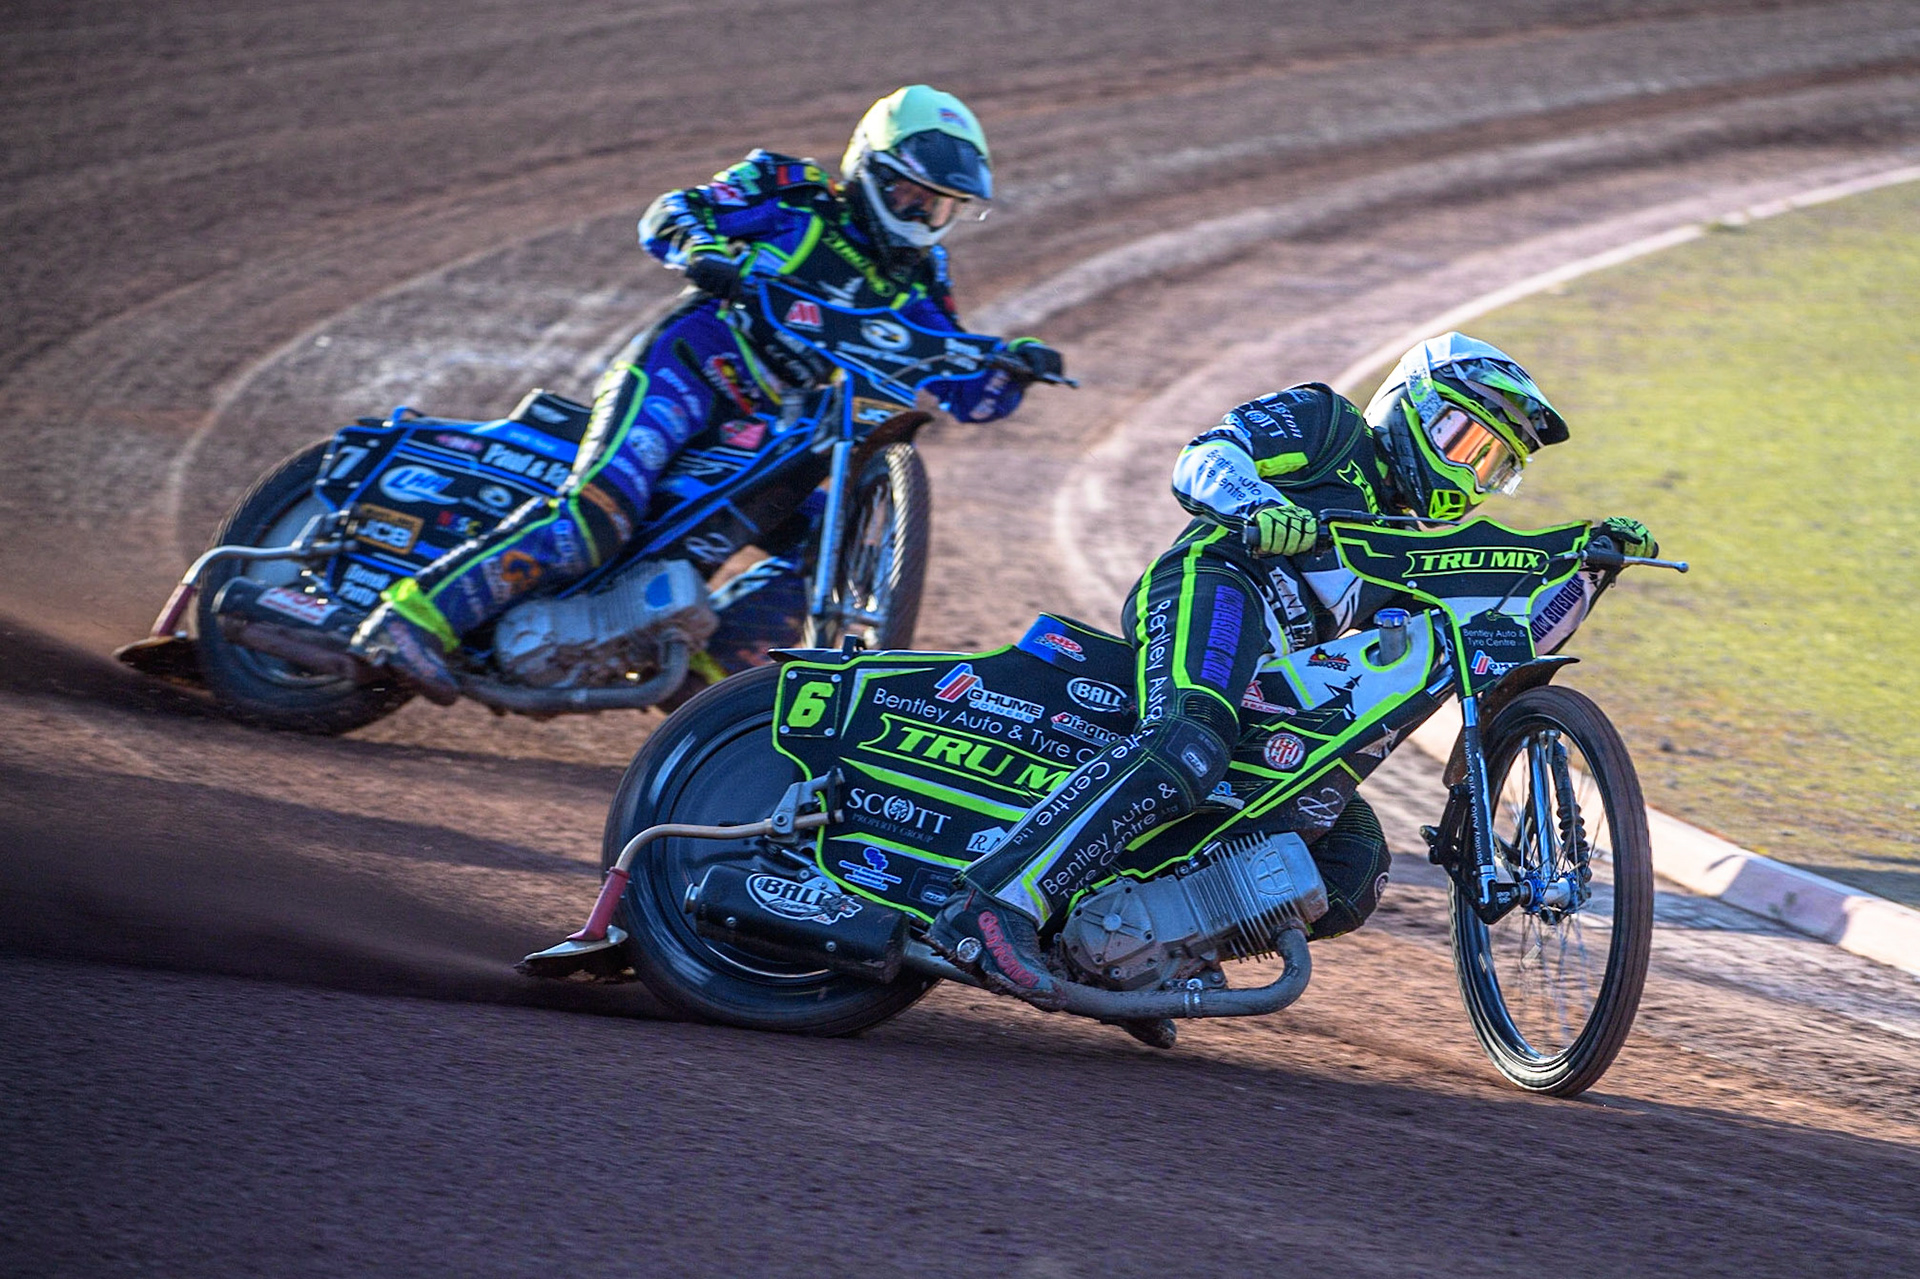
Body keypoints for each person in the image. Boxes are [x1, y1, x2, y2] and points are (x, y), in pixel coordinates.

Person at [929, 332, 1657, 1009]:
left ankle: (1135, 953)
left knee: (1352, 860)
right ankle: (990, 906)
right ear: (1413, 406)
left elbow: (1510, 641)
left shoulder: (1416, 550)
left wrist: (1589, 569)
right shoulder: (1328, 423)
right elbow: (1205, 454)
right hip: (1218, 583)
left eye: (1491, 464)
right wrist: (1258, 504)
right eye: (1463, 441)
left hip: (1280, 684)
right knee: (1190, 738)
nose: (1469, 473)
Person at [352, 85, 1064, 702]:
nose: (922, 215)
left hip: (765, 427)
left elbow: (963, 387)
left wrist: (1010, 368)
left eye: (941, 207)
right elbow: (674, 212)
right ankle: (411, 617)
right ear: (871, 167)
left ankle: (713, 677)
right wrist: (705, 252)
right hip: (683, 371)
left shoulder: (920, 277)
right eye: (912, 193)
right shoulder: (789, 192)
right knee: (599, 514)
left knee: (828, 535)